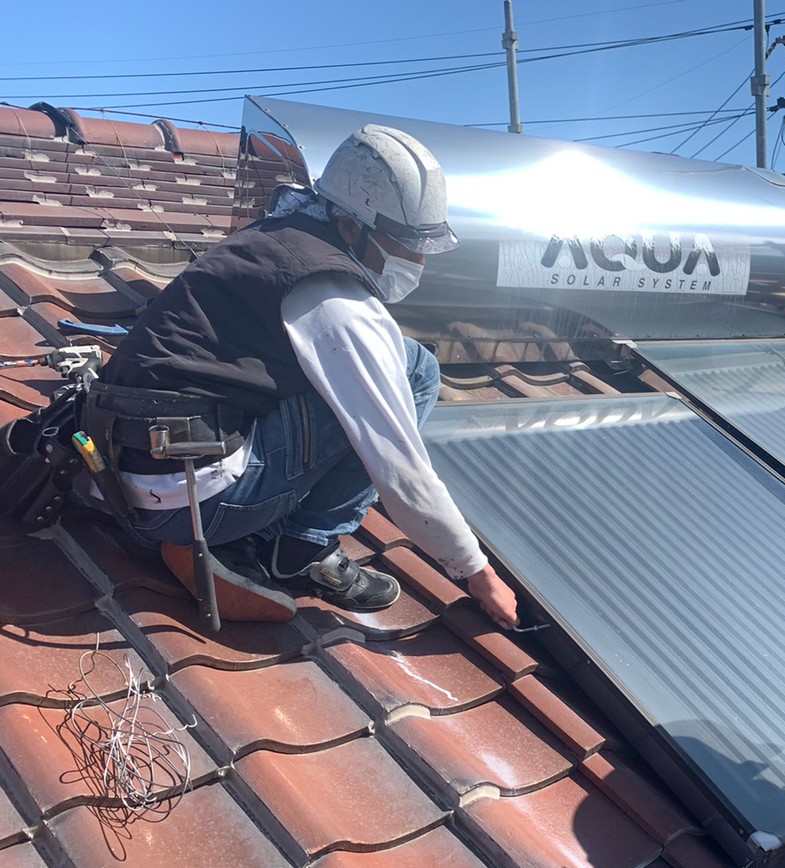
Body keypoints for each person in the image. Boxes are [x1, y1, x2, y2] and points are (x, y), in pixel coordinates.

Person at [88, 124, 518, 629]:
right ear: (352, 227)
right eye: (405, 244)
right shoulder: (334, 297)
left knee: (391, 361)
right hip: (196, 503)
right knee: (412, 372)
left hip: (121, 472)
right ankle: (300, 547)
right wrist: (476, 571)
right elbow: (399, 462)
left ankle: (245, 529)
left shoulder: (272, 240)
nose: (417, 260)